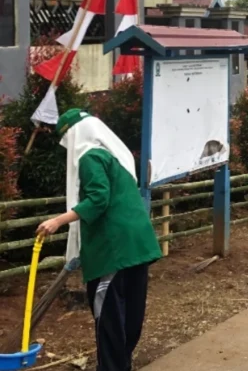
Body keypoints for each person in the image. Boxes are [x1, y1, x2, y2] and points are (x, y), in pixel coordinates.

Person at [37, 109, 162, 371]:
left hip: (112, 251)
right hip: (137, 244)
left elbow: (98, 199)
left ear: (75, 135)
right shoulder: (116, 157)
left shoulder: (90, 158)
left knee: (109, 318)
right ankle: (122, 364)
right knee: (130, 315)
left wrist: (58, 221)